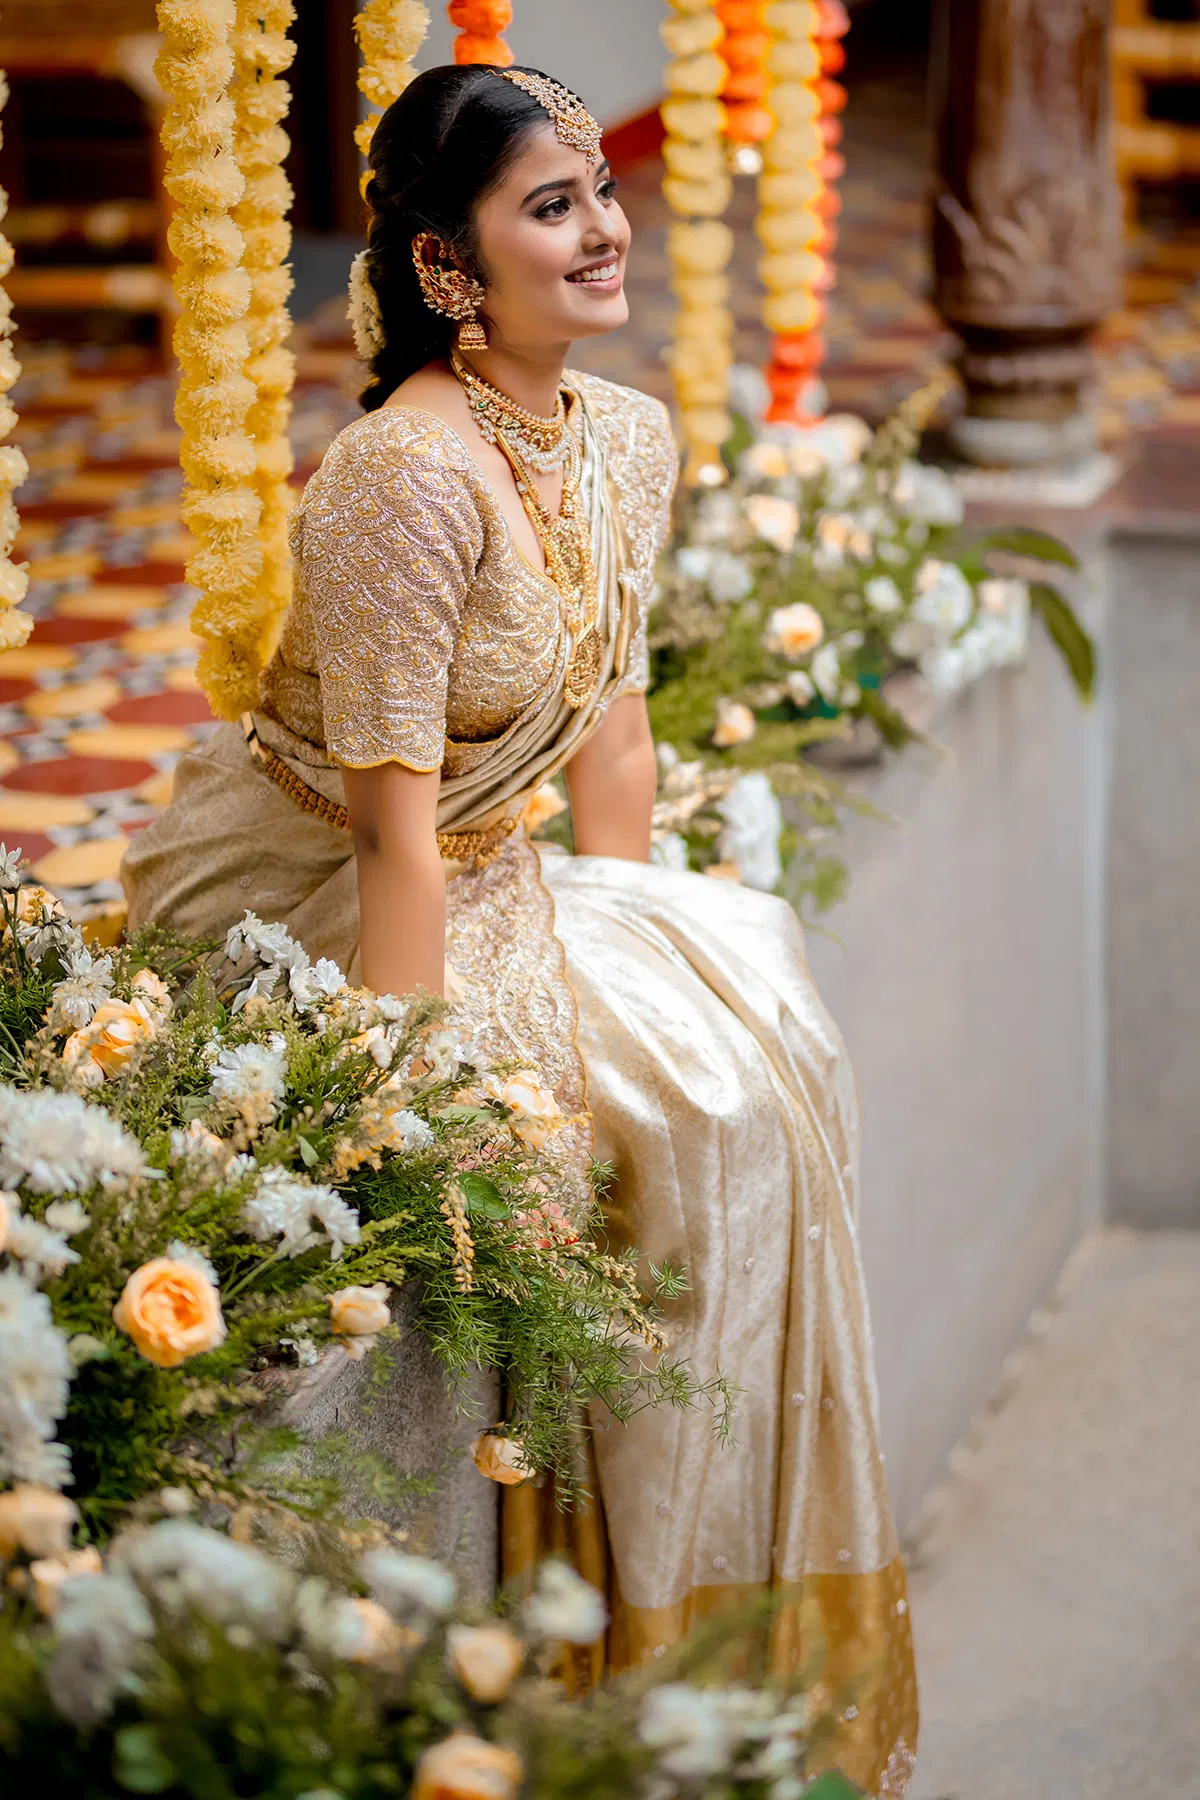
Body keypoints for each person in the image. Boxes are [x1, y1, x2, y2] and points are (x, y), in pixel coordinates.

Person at [123, 63, 917, 1793]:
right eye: (549, 207)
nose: (606, 227)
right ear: (448, 271)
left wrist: (629, 929)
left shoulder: (625, 437)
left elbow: (614, 732)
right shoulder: (399, 482)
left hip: (512, 866)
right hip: (319, 878)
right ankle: (589, 1642)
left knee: (750, 1064)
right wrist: (383, 1123)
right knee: (620, 1134)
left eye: (600, 192)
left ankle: (700, 1635)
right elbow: (395, 840)